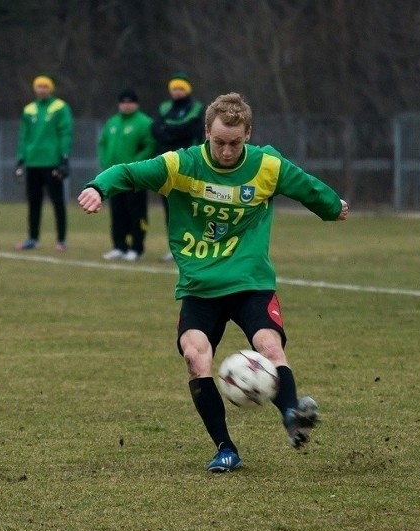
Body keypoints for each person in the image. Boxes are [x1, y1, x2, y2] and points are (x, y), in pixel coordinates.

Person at [78, 93, 349, 472]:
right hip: (200, 286)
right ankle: (225, 448)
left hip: (250, 280)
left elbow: (306, 186)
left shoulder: (266, 165)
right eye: (218, 141)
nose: (225, 150)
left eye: (235, 143)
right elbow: (128, 172)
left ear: (248, 134)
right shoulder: (180, 165)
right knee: (194, 355)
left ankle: (292, 414)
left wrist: (333, 206)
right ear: (206, 132)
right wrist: (98, 187)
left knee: (269, 346)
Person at [14, 75, 74, 252]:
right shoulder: (29, 109)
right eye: (39, 87)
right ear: (34, 89)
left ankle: (61, 240)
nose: (42, 90)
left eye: (45, 87)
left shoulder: (59, 107)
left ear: (51, 88)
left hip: (52, 161)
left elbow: (66, 132)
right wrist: (20, 159)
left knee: (57, 201)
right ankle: (32, 238)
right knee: (33, 202)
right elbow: (24, 136)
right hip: (33, 162)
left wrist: (64, 157)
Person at [97, 88, 158, 261]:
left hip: (135, 177)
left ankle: (137, 248)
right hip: (114, 178)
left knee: (136, 212)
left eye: (130, 101)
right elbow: (102, 143)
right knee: (117, 212)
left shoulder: (144, 122)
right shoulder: (112, 122)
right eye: (123, 102)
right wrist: (104, 160)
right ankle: (119, 246)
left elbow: (150, 146)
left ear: (136, 103)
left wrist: (135, 164)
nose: (126, 105)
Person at [151, 72, 205, 261]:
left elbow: (191, 130)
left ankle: (195, 245)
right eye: (174, 88)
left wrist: (170, 130)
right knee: (169, 208)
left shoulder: (197, 108)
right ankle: (174, 247)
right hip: (167, 165)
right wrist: (174, 132)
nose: (177, 92)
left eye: (181, 88)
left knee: (190, 207)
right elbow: (156, 129)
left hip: (188, 165)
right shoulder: (164, 107)